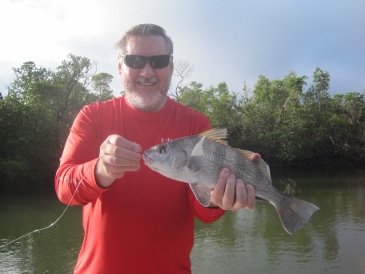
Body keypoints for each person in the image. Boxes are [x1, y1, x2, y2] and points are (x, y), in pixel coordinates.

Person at [55, 23, 256, 274]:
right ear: (120, 66)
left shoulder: (196, 124)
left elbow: (204, 213)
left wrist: (220, 199)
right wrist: (100, 170)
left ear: (171, 66)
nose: (147, 72)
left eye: (158, 61)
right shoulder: (92, 116)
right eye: (135, 60)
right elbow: (64, 189)